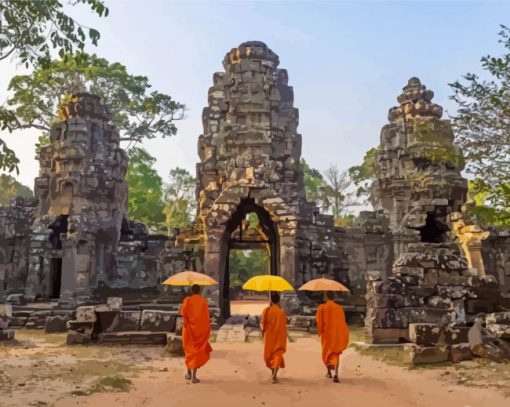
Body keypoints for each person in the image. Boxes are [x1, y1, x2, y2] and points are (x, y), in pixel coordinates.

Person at [180, 284, 213, 383]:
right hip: (200, 331)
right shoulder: (204, 302)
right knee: (197, 351)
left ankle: (188, 373)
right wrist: (207, 329)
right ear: (199, 290)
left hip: (189, 330)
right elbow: (206, 318)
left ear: (191, 290)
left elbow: (183, 313)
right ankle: (193, 376)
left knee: (189, 351)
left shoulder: (187, 300)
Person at [315, 290, 350, 383]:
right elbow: (342, 321)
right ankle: (336, 374)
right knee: (335, 353)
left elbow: (319, 321)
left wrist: (319, 331)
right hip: (336, 334)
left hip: (326, 334)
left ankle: (329, 372)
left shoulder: (322, 307)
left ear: (326, 297)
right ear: (333, 297)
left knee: (326, 353)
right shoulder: (339, 308)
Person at [261, 291, 287, 384]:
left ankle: (273, 373)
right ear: (279, 301)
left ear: (271, 300)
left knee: (269, 355)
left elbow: (263, 323)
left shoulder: (266, 310)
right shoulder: (281, 312)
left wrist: (263, 332)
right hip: (279, 336)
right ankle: (274, 374)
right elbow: (284, 326)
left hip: (269, 336)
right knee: (277, 354)